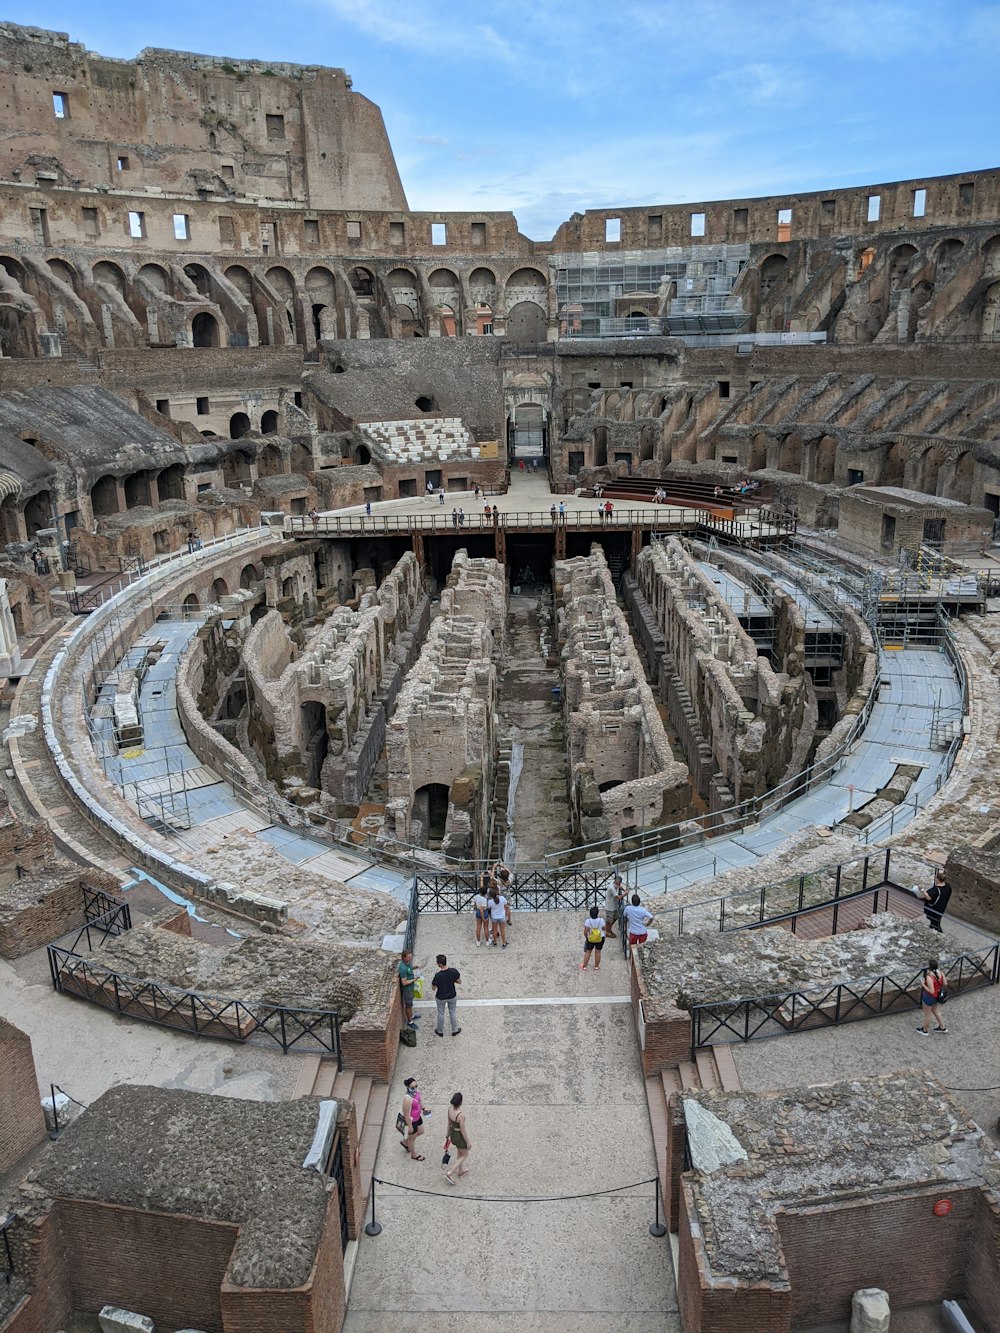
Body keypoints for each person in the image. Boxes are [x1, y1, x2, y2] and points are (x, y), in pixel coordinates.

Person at [444, 1091, 471, 1184]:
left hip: (452, 1134)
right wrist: (468, 1142)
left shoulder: (449, 1109)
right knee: (465, 1154)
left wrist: (447, 1134)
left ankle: (461, 1170)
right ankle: (450, 1172)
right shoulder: (460, 1115)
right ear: (461, 1102)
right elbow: (463, 1130)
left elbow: (448, 1123)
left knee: (460, 1152)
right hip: (459, 1136)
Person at [432, 953, 462, 1036]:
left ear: (439, 964)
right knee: (452, 1012)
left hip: (440, 997)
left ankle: (440, 1030)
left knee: (441, 1013)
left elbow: (433, 988)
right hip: (452, 995)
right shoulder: (453, 971)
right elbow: (459, 981)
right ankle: (455, 1029)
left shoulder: (438, 975)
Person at [917, 958, 948, 1035]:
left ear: (929, 967)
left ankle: (925, 1030)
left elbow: (931, 991)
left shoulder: (929, 977)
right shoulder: (941, 973)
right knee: (937, 1011)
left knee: (928, 1015)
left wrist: (923, 984)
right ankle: (942, 1027)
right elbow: (945, 983)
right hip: (938, 996)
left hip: (929, 997)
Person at [401, 1077, 426, 1159]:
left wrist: (423, 1108)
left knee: (421, 1131)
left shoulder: (417, 1092)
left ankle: (405, 1142)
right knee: (412, 1139)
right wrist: (410, 1126)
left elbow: (419, 1100)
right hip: (412, 1121)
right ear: (407, 1087)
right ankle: (413, 1155)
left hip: (418, 1117)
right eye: (412, 1087)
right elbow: (406, 1114)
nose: (415, 1089)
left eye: (416, 1086)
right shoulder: (407, 1099)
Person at [580, 904, 606, 971]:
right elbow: (604, 928)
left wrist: (587, 938)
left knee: (588, 952)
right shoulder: (601, 920)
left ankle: (584, 966)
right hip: (600, 938)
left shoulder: (588, 921)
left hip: (590, 938)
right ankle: (596, 966)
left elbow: (585, 931)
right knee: (598, 952)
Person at [398, 949, 419, 1029]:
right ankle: (410, 1021)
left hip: (410, 988)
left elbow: (409, 969)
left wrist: (415, 967)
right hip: (407, 990)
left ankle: (412, 1015)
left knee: (410, 1004)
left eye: (411, 956)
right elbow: (404, 982)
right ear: (404, 957)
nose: (410, 958)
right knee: (408, 1006)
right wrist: (414, 979)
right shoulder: (402, 968)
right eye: (408, 957)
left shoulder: (407, 963)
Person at [473, 870, 493, 946]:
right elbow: (491, 885)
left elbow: (475, 905)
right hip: (484, 912)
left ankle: (478, 941)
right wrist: (491, 875)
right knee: (485, 927)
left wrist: (481, 877)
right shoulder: (486, 897)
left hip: (477, 911)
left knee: (478, 927)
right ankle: (487, 941)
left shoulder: (477, 896)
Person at [604, 873, 626, 939]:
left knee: (616, 917)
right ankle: (607, 932)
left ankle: (607, 928)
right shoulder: (612, 888)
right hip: (610, 907)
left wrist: (623, 889)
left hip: (614, 906)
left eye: (618, 884)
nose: (617, 885)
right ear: (615, 882)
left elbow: (619, 886)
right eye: (616, 883)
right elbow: (618, 897)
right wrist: (625, 894)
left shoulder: (616, 884)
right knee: (609, 920)